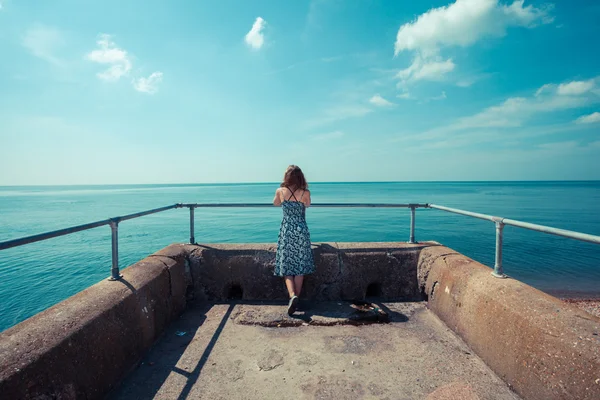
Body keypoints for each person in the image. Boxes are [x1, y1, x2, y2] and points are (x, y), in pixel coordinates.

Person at [273, 165, 315, 316]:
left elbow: (275, 203)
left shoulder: (280, 191)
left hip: (287, 231)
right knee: (300, 267)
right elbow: (308, 204)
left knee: (287, 267)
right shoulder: (305, 192)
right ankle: (296, 298)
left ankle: (293, 296)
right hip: (301, 231)